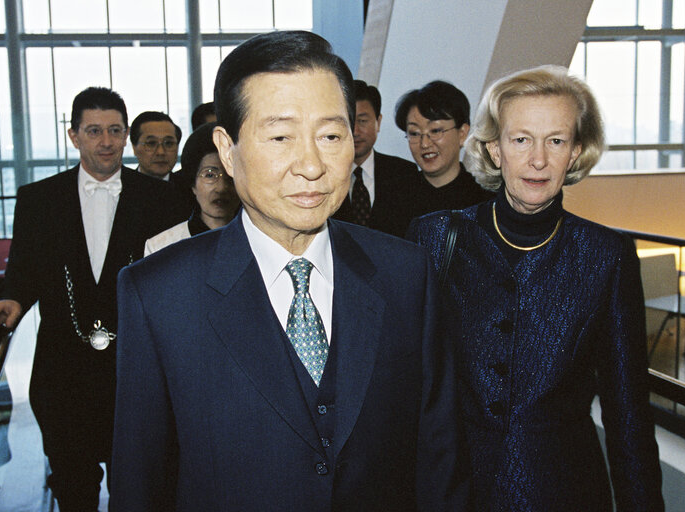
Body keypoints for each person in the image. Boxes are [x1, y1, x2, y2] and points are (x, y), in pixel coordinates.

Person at [111, 30, 468, 511]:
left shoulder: (406, 274)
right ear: (228, 148)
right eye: (280, 136)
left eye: (330, 136)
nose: (311, 165)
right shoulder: (158, 295)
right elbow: (140, 486)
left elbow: (440, 457)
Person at [407, 65, 664, 511]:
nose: (539, 160)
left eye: (556, 140)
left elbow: (629, 416)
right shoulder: (434, 238)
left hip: (564, 491)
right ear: (494, 149)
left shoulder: (607, 255)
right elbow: (404, 389)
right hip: (455, 490)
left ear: (577, 151)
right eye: (521, 139)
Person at [0, 87, 180, 511]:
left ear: (126, 135)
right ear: (73, 136)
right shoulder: (38, 200)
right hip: (63, 377)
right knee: (73, 492)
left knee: (143, 492)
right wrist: (12, 301)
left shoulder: (162, 199)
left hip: (136, 375)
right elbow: (24, 271)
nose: (105, 141)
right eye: (94, 131)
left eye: (114, 130)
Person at [332, 80, 421, 238]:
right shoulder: (324, 174)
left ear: (378, 122)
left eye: (363, 121)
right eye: (348, 121)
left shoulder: (405, 173)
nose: (355, 131)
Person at [395, 80, 492, 215]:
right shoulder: (393, 196)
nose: (424, 144)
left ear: (462, 134)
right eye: (414, 133)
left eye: (435, 131)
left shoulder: (484, 204)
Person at [144, 122, 240, 255]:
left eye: (230, 177)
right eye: (210, 175)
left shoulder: (260, 239)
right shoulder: (163, 246)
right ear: (193, 184)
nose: (221, 188)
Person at [130, 110, 182, 180]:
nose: (161, 152)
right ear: (134, 148)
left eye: (169, 143)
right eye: (151, 143)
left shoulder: (191, 189)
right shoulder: (119, 188)